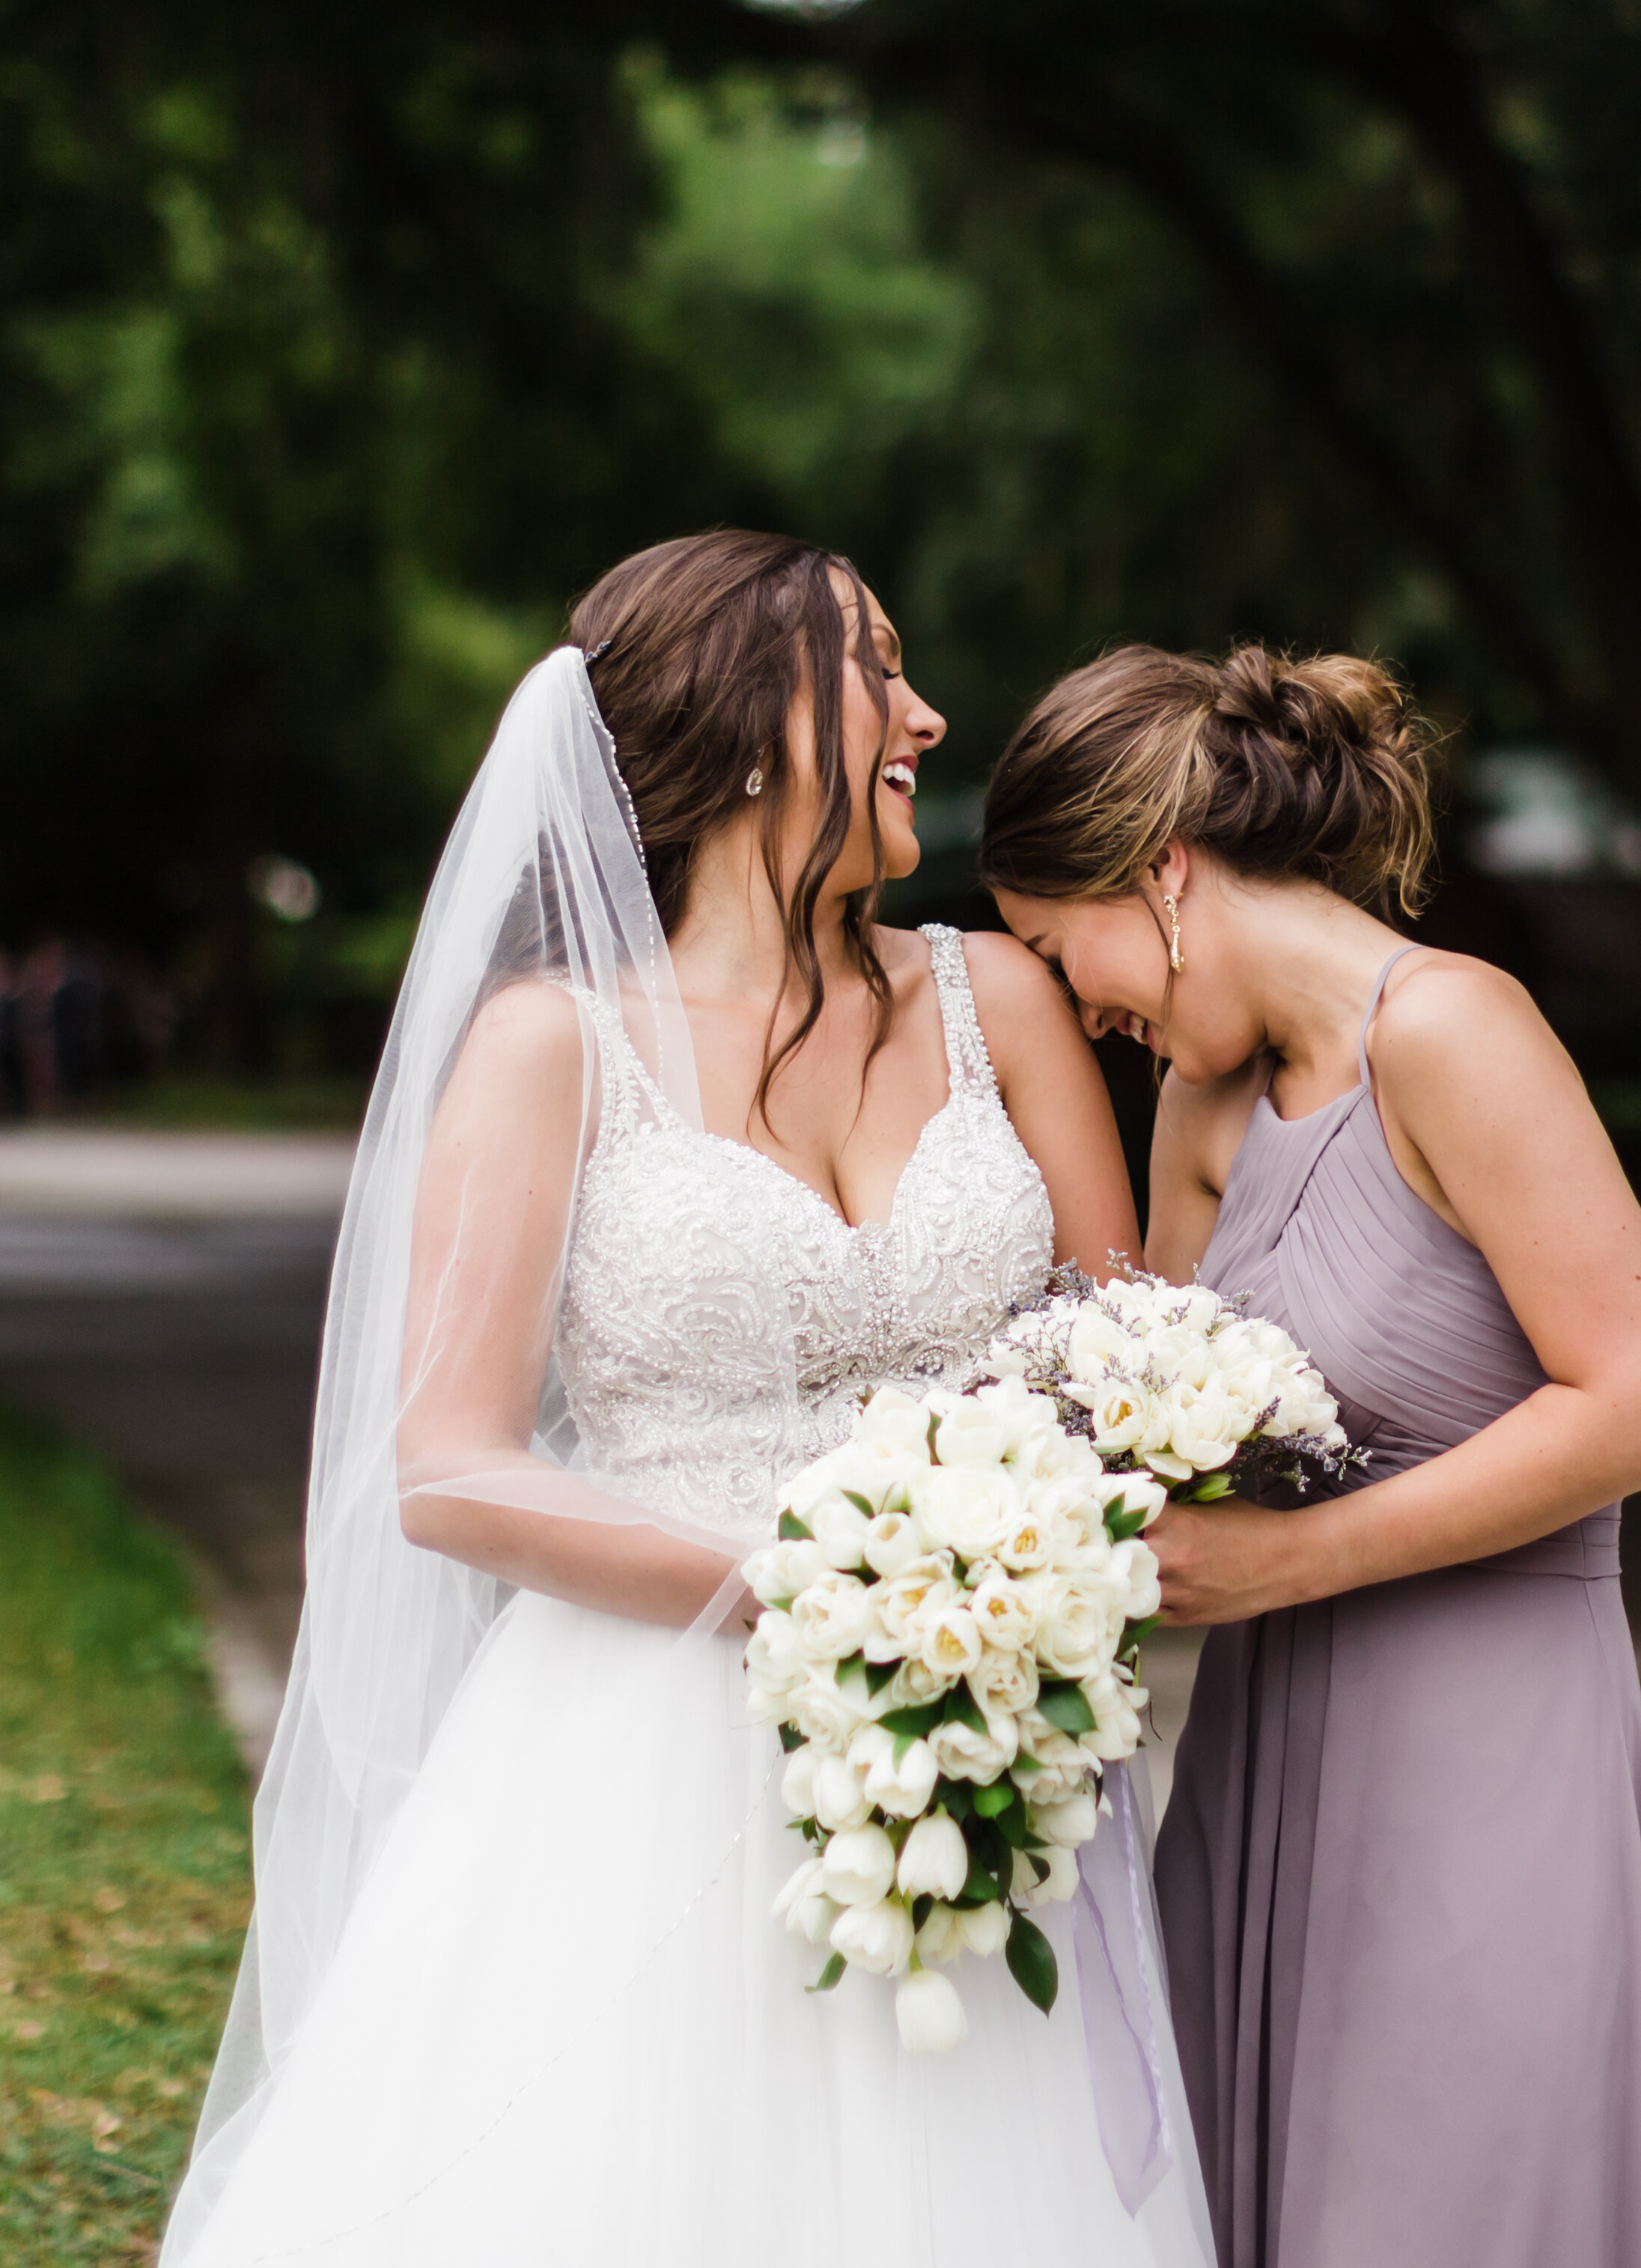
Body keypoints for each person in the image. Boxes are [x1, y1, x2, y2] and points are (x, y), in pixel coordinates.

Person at [161, 532, 1215, 2268]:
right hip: (637, 1753)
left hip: (978, 1730)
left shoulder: (1000, 997)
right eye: (878, 670)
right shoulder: (549, 1047)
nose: (927, 716)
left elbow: (1116, 1362)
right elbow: (449, 1470)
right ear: (742, 729)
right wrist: (823, 1588)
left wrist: (1007, 1582)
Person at [981, 641, 1641, 2268]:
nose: (1079, 1003)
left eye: (1058, 942)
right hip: (1252, 1756)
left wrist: (1290, 1559)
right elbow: (1135, 1417)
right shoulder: (1200, 1105)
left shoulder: (1451, 1032)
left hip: (1481, 1740)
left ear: (1160, 870)